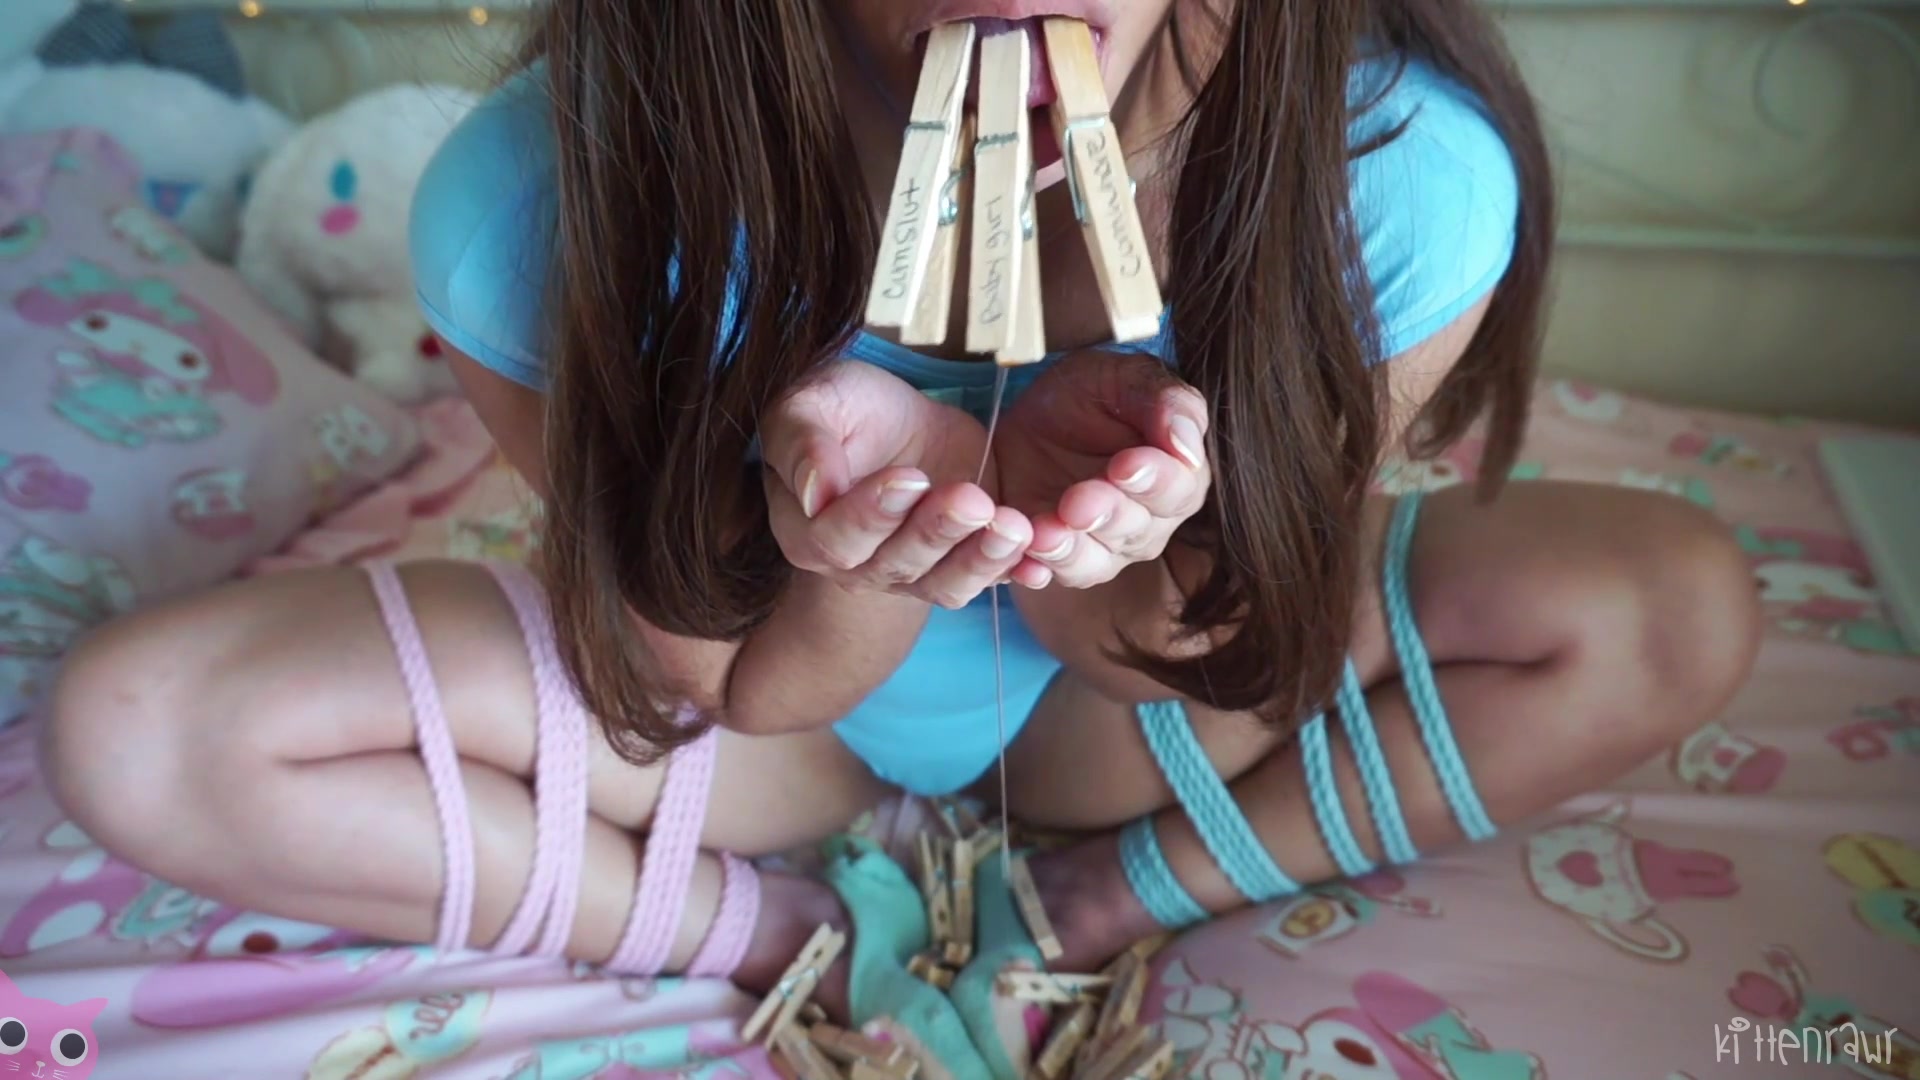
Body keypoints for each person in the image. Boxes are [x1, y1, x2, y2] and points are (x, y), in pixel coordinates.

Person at [41, 0, 1760, 1073]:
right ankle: (768, 934)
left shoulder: (1388, 176)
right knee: (142, 726)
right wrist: (851, 542)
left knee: (1671, 603)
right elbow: (730, 684)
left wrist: (1101, 515)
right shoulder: (543, 203)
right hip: (753, 730)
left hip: (1136, 714)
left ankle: (1096, 898)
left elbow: (1196, 649)